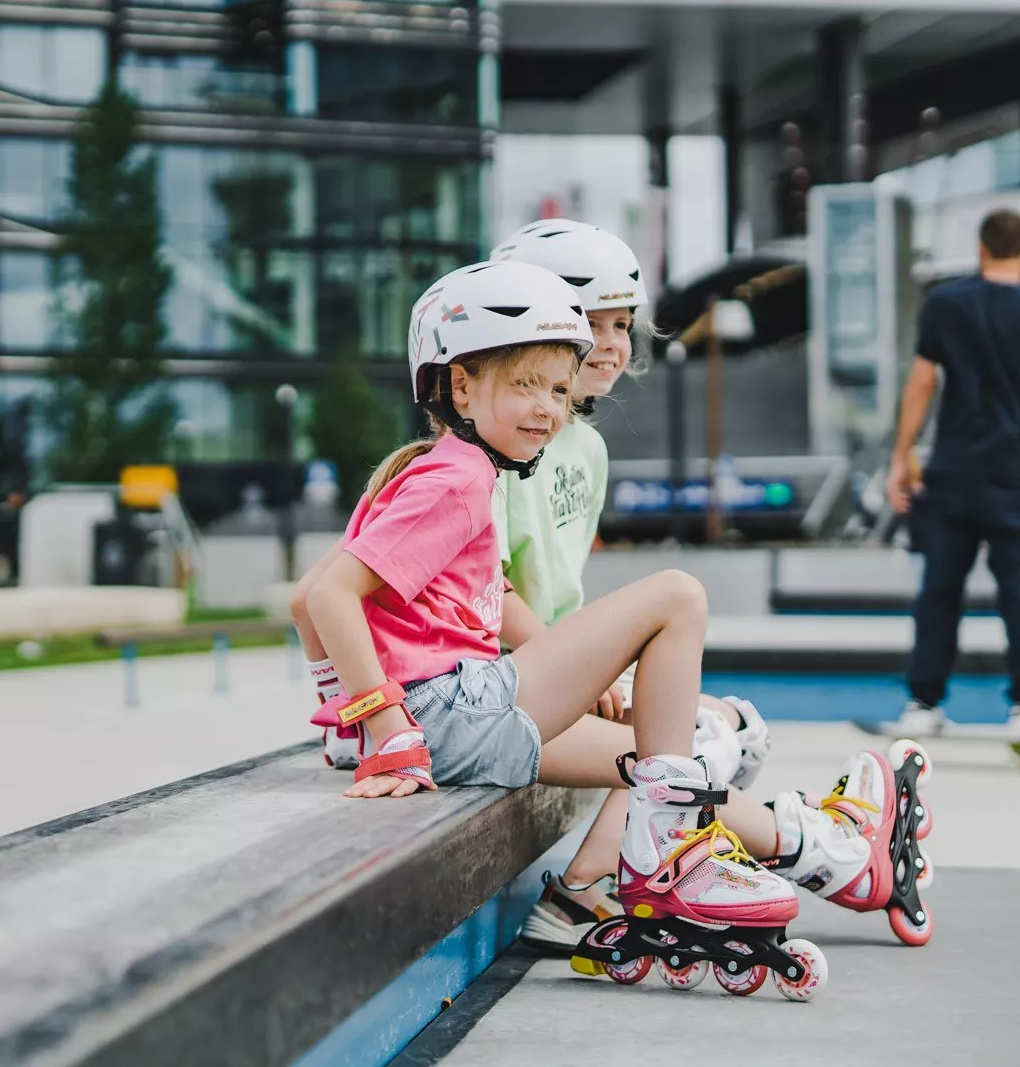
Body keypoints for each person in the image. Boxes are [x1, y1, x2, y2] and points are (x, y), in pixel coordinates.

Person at [291, 261, 935, 981]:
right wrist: (385, 735)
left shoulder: (435, 467)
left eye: (560, 390)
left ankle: (811, 856)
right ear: (462, 385)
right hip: (454, 711)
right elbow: (329, 598)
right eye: (525, 384)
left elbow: (305, 598)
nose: (546, 408)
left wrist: (347, 722)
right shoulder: (457, 479)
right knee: (676, 596)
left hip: (453, 715)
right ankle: (667, 860)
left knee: (652, 755)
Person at [487, 219, 772, 953]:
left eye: (623, 325)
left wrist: (594, 665)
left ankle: (658, 865)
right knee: (684, 733)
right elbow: (486, 591)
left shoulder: (585, 445)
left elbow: (560, 588)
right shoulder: (498, 444)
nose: (615, 344)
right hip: (503, 679)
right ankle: (592, 888)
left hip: (550, 667)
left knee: (723, 722)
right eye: (594, 323)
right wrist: (579, 668)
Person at [886, 208, 1020, 741]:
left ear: (980, 250)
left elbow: (922, 383)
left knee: (939, 590)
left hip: (952, 471)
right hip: (1017, 474)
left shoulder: (946, 303)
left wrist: (900, 457)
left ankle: (923, 704)